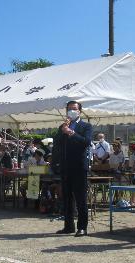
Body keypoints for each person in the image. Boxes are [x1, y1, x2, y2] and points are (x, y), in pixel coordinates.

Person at [54, 101, 93, 237]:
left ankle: (82, 227)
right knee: (66, 198)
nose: (72, 111)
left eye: (74, 109)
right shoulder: (62, 126)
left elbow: (86, 142)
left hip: (79, 167)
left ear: (79, 111)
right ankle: (68, 226)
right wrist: (63, 130)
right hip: (65, 166)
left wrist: (71, 132)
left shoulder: (86, 126)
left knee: (80, 198)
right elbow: (57, 144)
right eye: (69, 109)